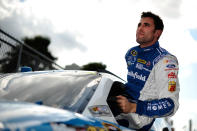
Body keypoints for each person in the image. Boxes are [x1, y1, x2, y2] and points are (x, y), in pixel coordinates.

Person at [116, 11, 180, 130]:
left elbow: (171, 105)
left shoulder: (166, 61)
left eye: (146, 25)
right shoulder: (131, 53)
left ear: (157, 33)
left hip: (138, 121)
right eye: (139, 24)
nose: (140, 28)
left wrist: (133, 107)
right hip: (119, 110)